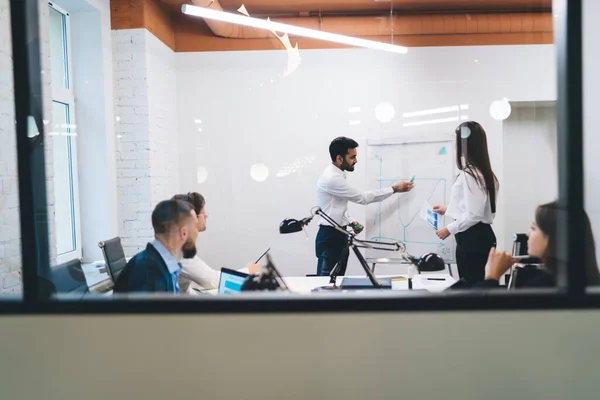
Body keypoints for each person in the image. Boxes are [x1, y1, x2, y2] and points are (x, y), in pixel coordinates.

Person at [315, 136, 414, 276]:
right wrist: (394, 189)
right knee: (326, 285)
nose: (356, 160)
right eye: (352, 157)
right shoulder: (333, 178)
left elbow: (335, 206)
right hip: (330, 237)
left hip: (337, 234)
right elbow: (363, 198)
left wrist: (351, 221)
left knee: (336, 283)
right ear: (339, 158)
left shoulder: (337, 174)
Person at [433, 121, 499, 285]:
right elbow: (477, 209)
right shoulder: (484, 173)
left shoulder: (471, 174)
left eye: (457, 141)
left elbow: (474, 214)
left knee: (470, 286)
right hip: (479, 236)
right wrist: (449, 209)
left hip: (473, 239)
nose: (456, 146)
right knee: (474, 284)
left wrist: (449, 229)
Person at [478, 201, 600, 288]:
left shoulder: (542, 287)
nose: (527, 233)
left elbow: (485, 319)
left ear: (552, 236)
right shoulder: (588, 283)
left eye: (533, 228)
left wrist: (491, 277)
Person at [172, 192, 261, 294]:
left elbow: (186, 290)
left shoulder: (178, 245)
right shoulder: (180, 251)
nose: (206, 216)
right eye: (203, 213)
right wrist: (249, 271)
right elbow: (212, 281)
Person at [114, 199, 199, 293]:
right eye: (195, 226)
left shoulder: (162, 266)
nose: (197, 232)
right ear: (183, 233)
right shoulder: (149, 272)